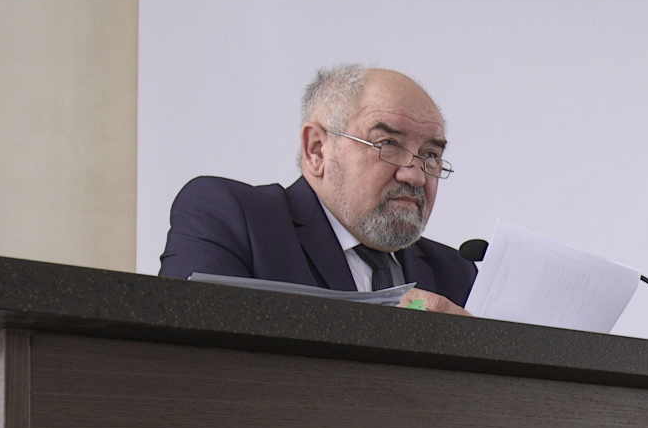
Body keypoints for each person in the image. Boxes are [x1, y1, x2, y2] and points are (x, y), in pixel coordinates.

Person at [158, 64, 475, 314]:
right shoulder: (229, 218)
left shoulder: (455, 273)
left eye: (430, 155)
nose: (415, 175)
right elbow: (189, 350)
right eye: (388, 144)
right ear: (317, 150)